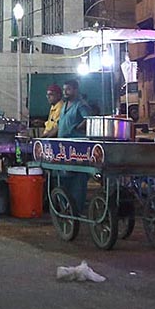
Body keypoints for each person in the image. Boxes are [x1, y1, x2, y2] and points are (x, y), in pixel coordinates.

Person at [57, 78, 91, 216]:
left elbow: (88, 119)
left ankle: (76, 210)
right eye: (64, 89)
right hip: (63, 148)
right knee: (65, 178)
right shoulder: (64, 106)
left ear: (76, 90)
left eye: (68, 89)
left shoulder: (81, 105)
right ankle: (66, 208)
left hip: (77, 149)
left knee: (78, 180)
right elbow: (60, 125)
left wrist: (77, 127)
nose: (65, 92)